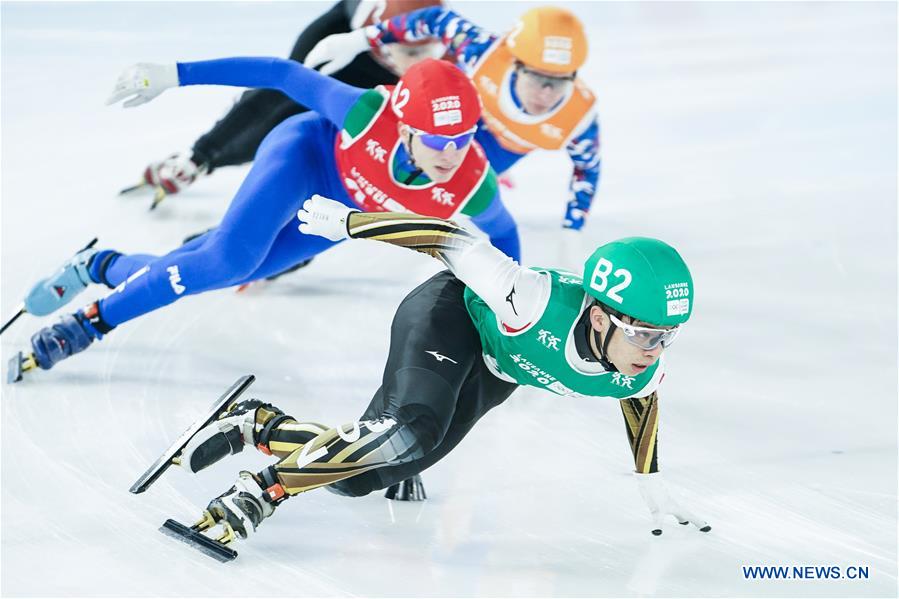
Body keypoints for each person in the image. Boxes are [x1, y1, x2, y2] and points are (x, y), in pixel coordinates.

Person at [153, 194, 710, 550]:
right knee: (406, 432)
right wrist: (349, 224)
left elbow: (641, 399)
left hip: (496, 367)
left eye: (666, 336)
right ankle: (261, 492)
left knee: (359, 479)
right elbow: (447, 238)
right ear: (596, 314)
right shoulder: (532, 300)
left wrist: (649, 475)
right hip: (449, 314)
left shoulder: (638, 370)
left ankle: (260, 426)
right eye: (641, 333)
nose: (653, 350)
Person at [12, 56, 521, 378]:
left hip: (332, 214)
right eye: (436, 139)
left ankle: (99, 266)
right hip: (302, 157)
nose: (450, 152)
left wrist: (510, 304)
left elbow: (503, 234)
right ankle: (91, 322)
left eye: (462, 138)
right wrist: (175, 75)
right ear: (406, 128)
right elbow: (284, 75)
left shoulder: (471, 182)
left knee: (228, 266)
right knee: (225, 263)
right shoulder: (369, 115)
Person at [305, 5, 601, 232]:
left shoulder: (579, 118)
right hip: (448, 119)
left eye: (560, 81)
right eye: (536, 78)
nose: (546, 93)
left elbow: (588, 169)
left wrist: (572, 229)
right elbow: (437, 20)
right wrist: (363, 38)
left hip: (486, 159)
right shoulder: (483, 53)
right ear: (516, 63)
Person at [127, 0, 448, 207]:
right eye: (407, 54)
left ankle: (297, 221)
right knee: (282, 96)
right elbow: (277, 82)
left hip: (373, 58)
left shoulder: (444, 44)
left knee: (336, 135)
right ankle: (198, 158)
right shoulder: (345, 26)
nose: (410, 64)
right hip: (344, 39)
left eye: (424, 54)